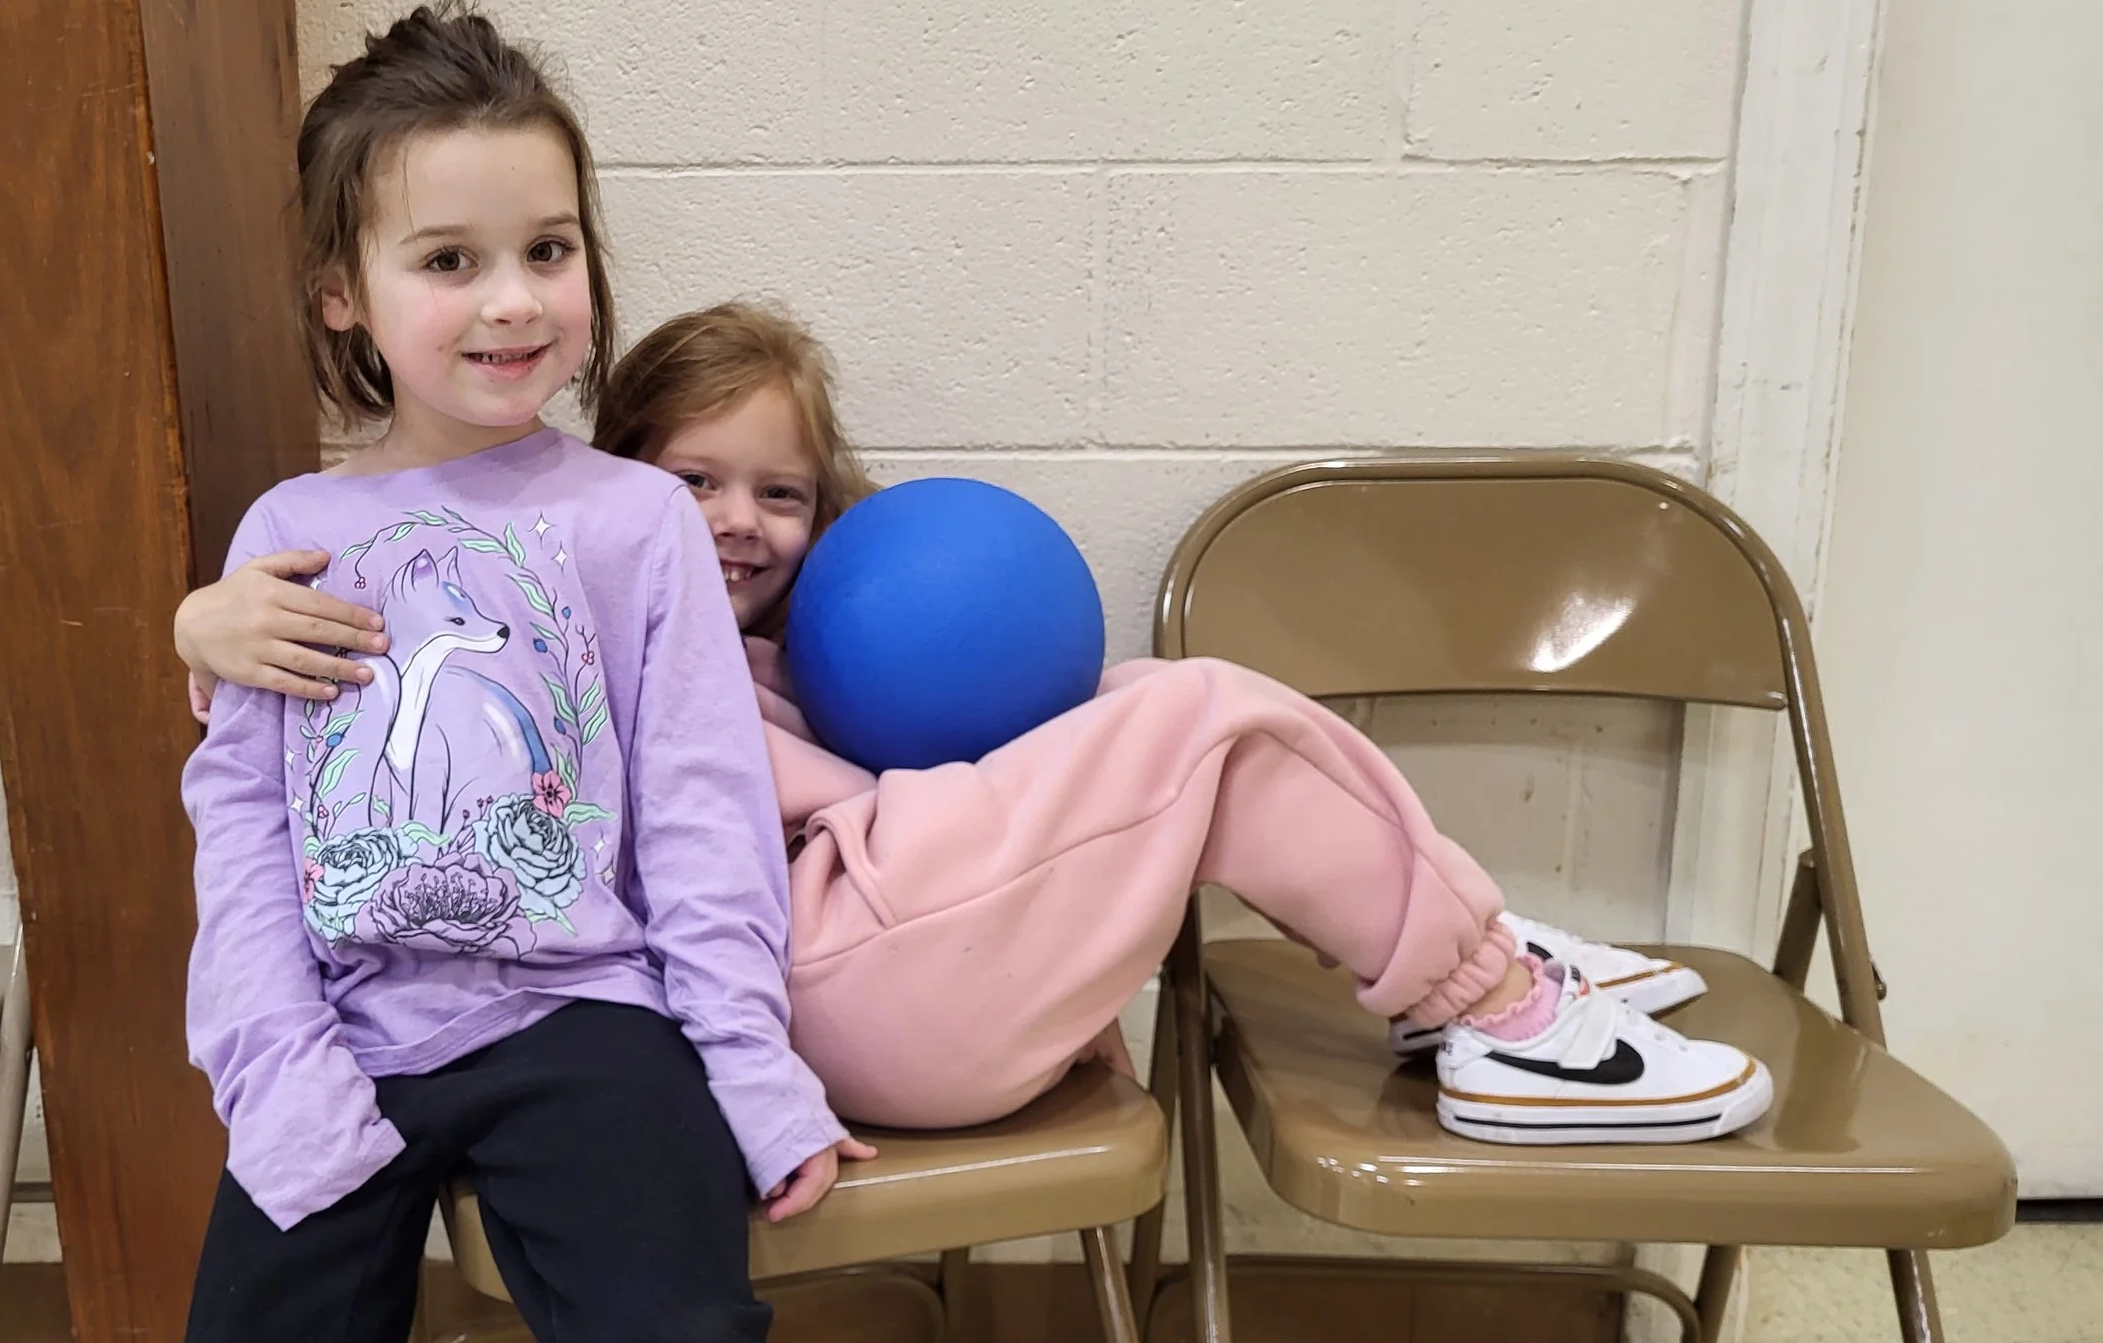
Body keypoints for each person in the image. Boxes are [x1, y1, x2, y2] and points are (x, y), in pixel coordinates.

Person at [181, 300, 1771, 1151]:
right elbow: (398, 656)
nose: (733, 522)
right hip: (812, 982)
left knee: (1150, 700)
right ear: (613, 490)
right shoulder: (588, 607)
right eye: (693, 483)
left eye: (781, 491)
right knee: (1204, 720)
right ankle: (1494, 1008)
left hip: (880, 931)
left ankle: (1475, 951)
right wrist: (197, 632)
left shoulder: (814, 651)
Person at [175, 10, 854, 1343]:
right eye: (449, 257)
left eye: (547, 249)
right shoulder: (293, 534)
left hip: (582, 1020)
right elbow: (247, 828)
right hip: (345, 1035)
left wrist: (752, 1073)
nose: (510, 299)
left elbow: (703, 813)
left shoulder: (632, 521)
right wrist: (279, 1070)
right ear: (346, 292)